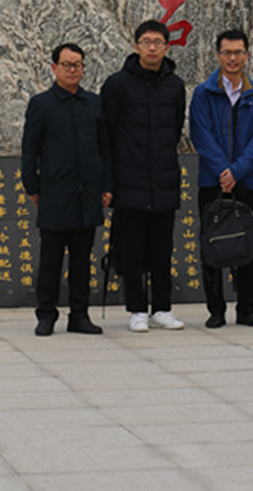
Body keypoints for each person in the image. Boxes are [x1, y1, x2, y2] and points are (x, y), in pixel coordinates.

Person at [21, 42, 112, 336]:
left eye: (77, 65)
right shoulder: (41, 104)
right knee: (51, 260)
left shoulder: (94, 103)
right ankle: (46, 315)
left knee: (82, 260)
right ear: (54, 68)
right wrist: (33, 187)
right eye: (66, 65)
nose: (72, 70)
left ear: (83, 68)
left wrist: (107, 186)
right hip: (55, 194)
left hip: (88, 194)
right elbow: (29, 151)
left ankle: (79, 315)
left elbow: (105, 148)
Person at [101, 20, 186, 332]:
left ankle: (162, 308)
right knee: (132, 250)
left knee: (162, 249)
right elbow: (107, 134)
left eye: (158, 42)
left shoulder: (175, 85)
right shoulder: (117, 84)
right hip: (129, 180)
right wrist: (110, 181)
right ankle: (136, 309)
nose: (152, 47)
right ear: (136, 46)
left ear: (166, 47)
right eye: (146, 41)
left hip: (163, 178)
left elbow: (175, 129)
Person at [189, 28, 253, 328]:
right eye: (226, 52)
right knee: (211, 243)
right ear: (217, 55)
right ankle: (216, 310)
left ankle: (246, 308)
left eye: (238, 52)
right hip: (212, 182)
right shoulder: (203, 93)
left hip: (244, 183)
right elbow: (200, 135)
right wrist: (223, 170)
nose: (232, 58)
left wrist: (236, 171)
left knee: (246, 245)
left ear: (246, 55)